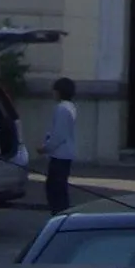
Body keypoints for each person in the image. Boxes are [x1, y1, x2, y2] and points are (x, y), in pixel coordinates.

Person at [41, 75, 76, 213]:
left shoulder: (62, 109)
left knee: (55, 190)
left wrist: (45, 148)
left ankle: (59, 216)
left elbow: (58, 135)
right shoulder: (71, 107)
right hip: (66, 154)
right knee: (59, 189)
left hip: (59, 155)